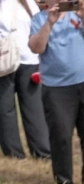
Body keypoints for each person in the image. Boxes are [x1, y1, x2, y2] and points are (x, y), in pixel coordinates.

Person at [29, 0, 84, 184]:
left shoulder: (77, 15)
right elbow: (36, 47)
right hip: (56, 87)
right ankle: (63, 180)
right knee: (60, 134)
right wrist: (50, 23)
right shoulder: (39, 20)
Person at [0, 0, 50, 160]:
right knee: (11, 107)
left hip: (21, 58)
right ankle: (24, 152)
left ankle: (33, 152)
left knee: (28, 107)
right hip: (14, 59)